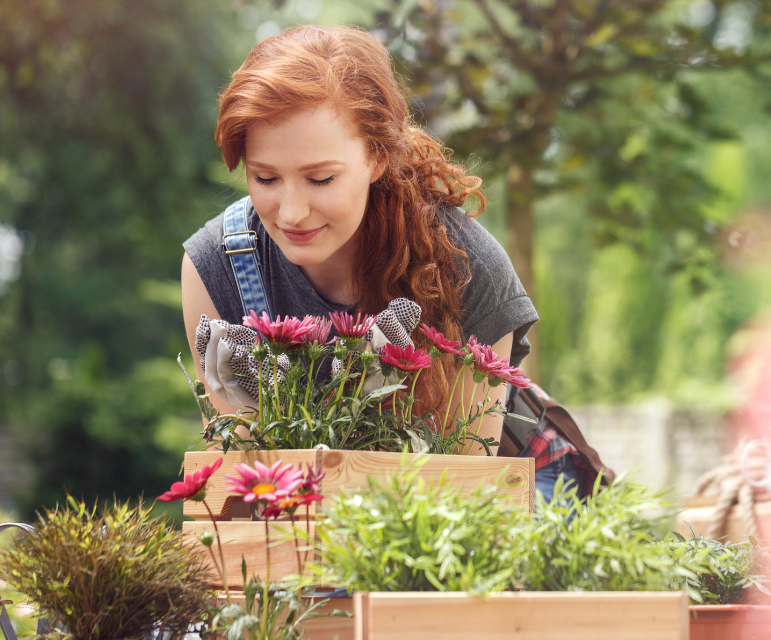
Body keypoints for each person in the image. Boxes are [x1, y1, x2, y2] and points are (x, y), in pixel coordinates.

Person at [181, 25, 539, 457]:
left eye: (320, 179)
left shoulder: (469, 269)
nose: (291, 212)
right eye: (265, 178)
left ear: (377, 157)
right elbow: (238, 485)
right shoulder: (218, 265)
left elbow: (463, 493)